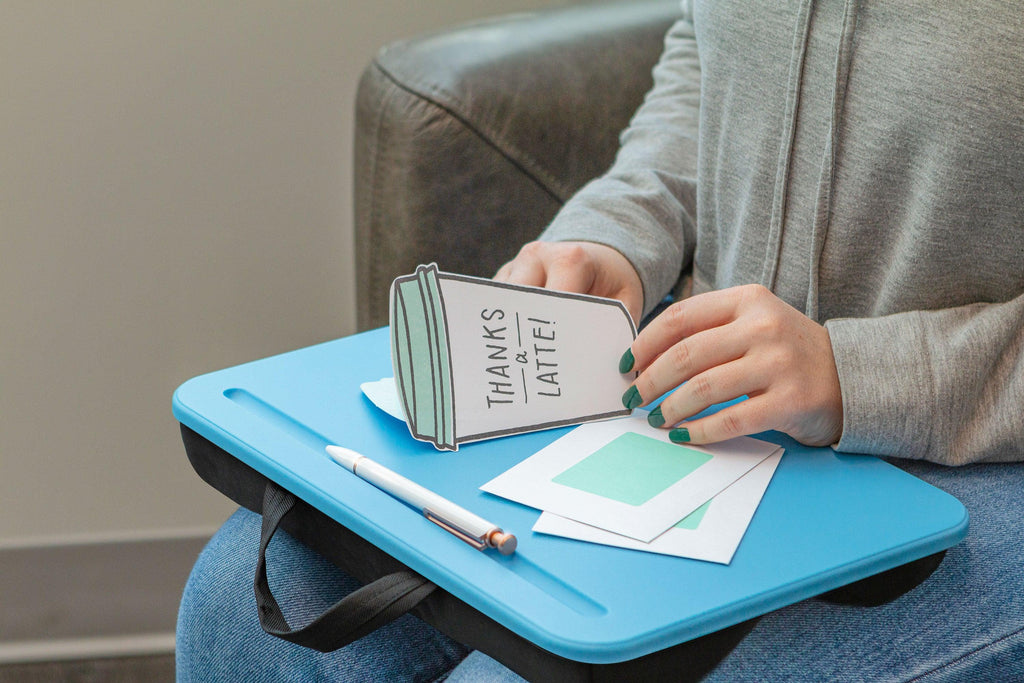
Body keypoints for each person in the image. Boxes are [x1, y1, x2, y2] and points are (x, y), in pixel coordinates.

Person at [177, 1, 1024, 680]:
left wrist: (858, 375)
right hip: (719, 410)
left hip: (978, 463)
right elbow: (706, 52)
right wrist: (622, 227)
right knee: (240, 610)